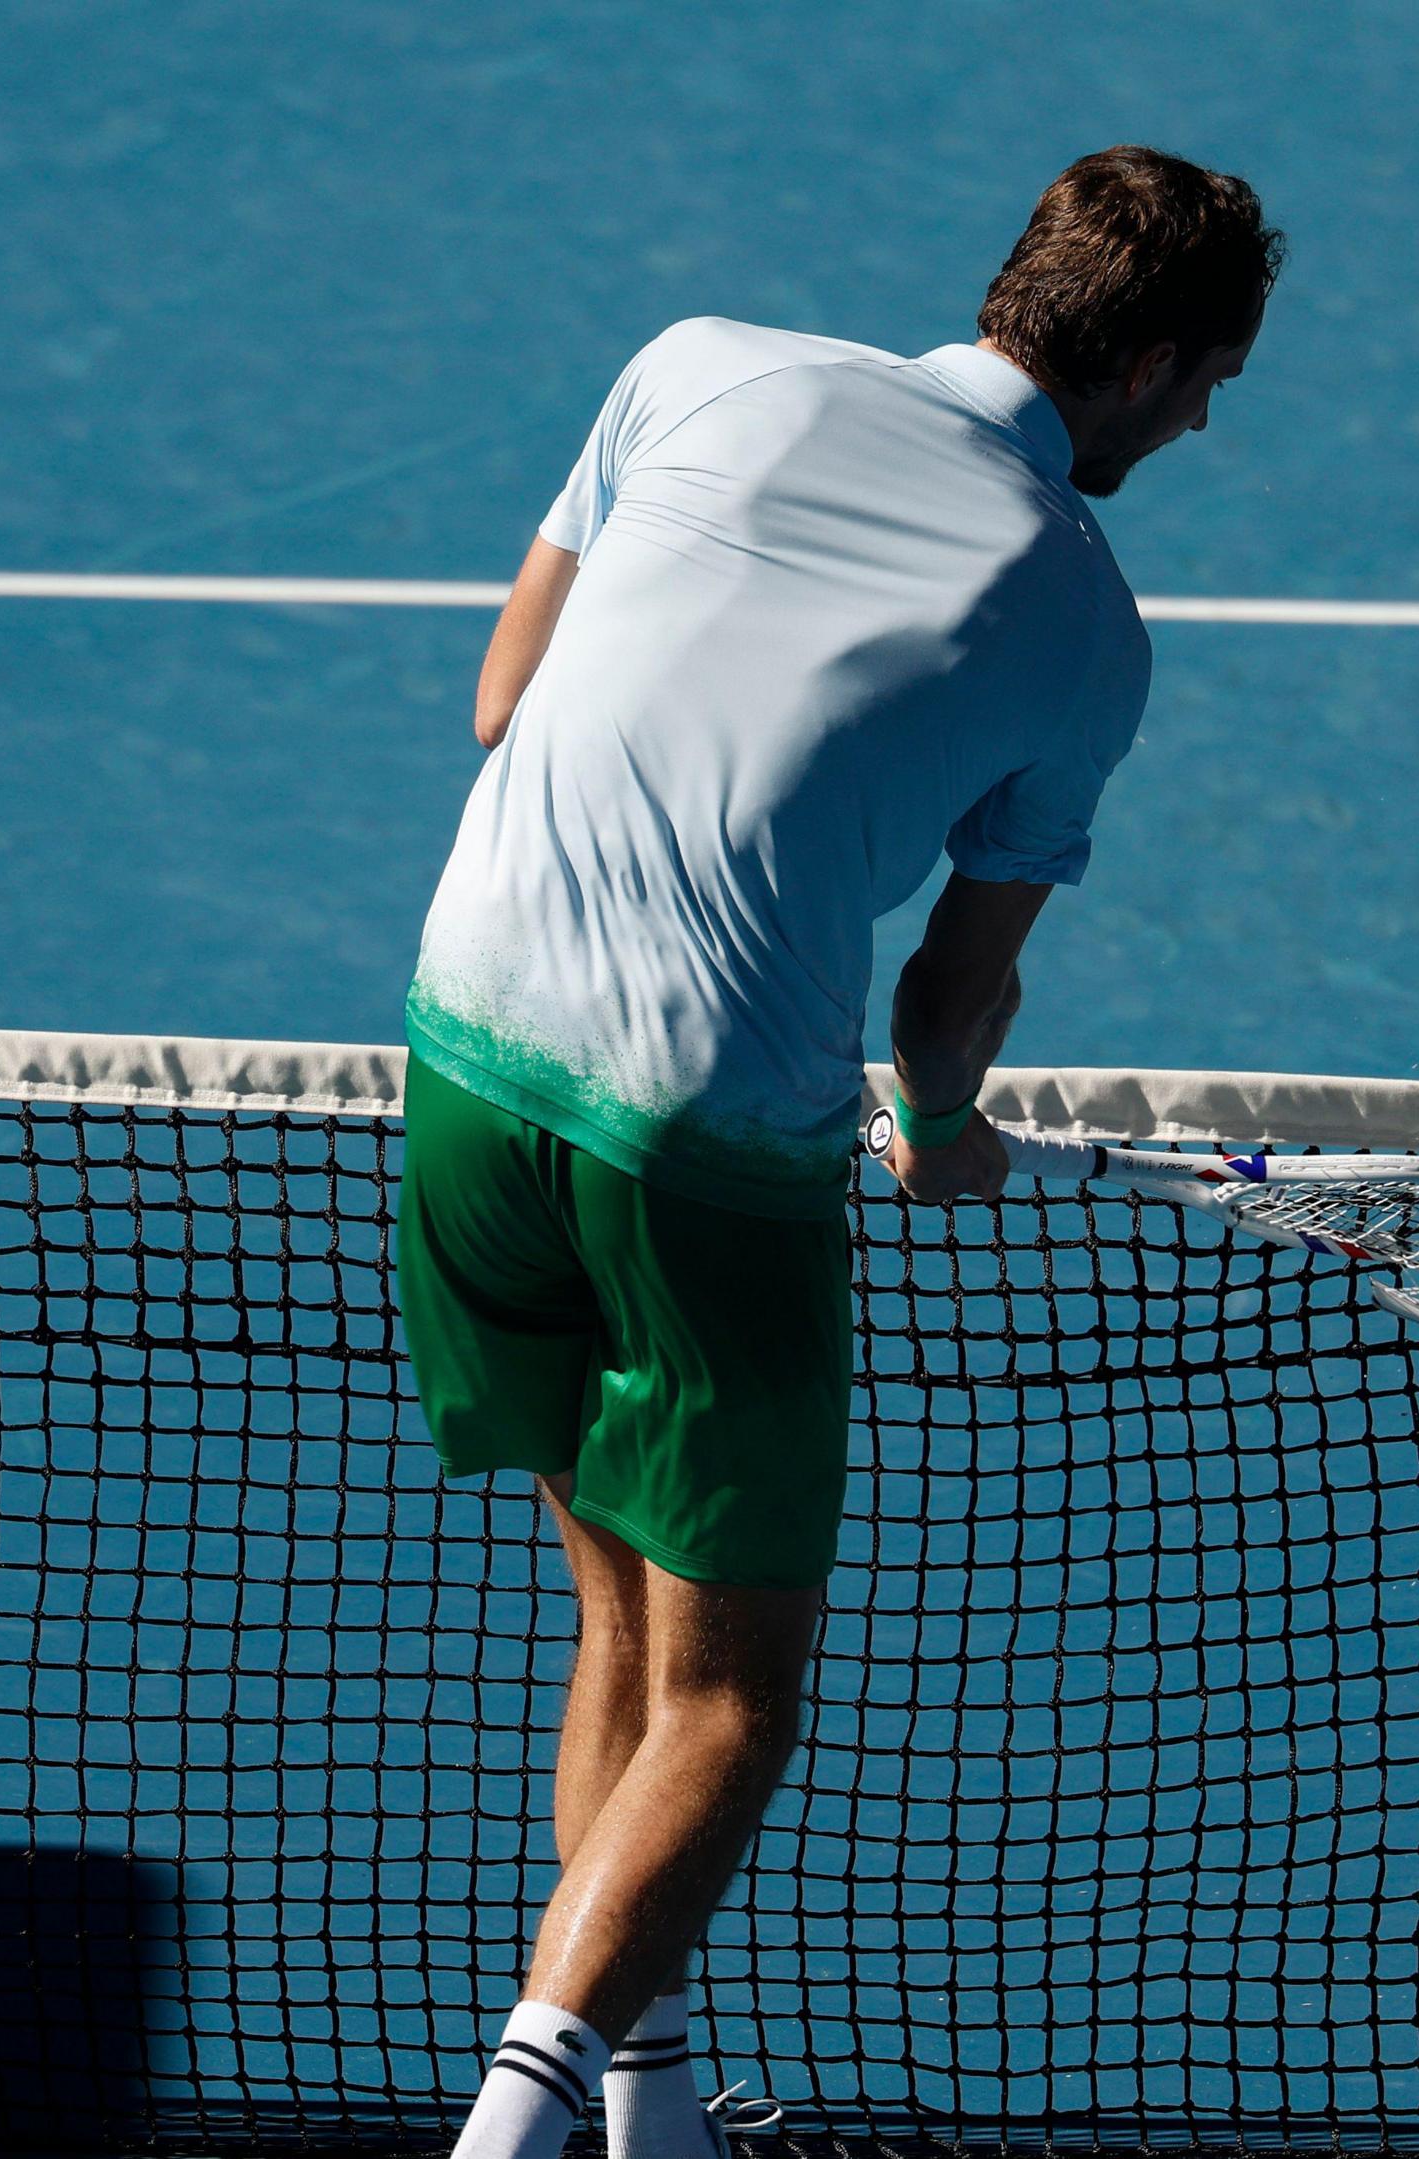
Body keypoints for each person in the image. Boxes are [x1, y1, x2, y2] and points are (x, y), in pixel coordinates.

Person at [395, 144, 1282, 2159]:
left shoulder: (696, 365)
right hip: (704, 1143)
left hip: (462, 1055)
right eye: (1217, 379)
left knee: (622, 1624)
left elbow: (503, 698)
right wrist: (949, 1134)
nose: (1214, 418)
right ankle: (505, 2136)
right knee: (729, 1699)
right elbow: (943, 1017)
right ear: (1142, 364)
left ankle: (649, 2098)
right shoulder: (1080, 616)